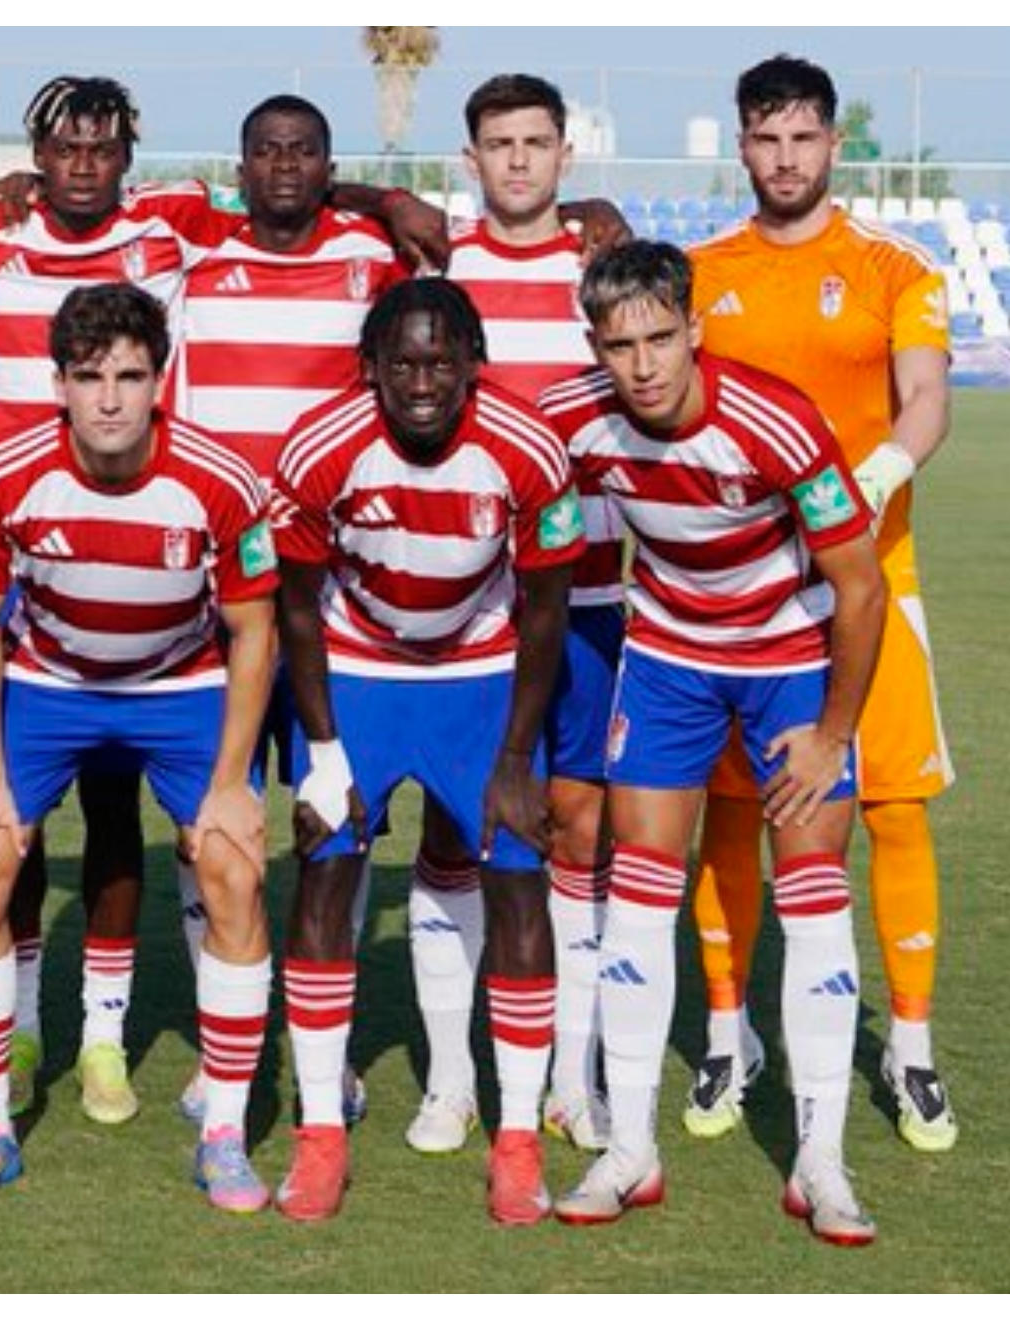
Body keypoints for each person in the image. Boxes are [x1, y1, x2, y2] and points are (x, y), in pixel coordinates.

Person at [0, 78, 441, 1124]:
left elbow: (284, 188)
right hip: (19, 556)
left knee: (199, 818)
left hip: (180, 556)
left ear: (127, 157)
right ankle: (15, 1029)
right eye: (63, 146)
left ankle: (148, 1042)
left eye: (103, 147)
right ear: (37, 153)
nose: (82, 164)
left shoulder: (170, 223)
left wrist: (388, 198)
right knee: (2, 819)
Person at [543, 239, 886, 1247]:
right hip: (666, 661)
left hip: (789, 658)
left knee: (813, 893)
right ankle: (630, 1150)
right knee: (640, 891)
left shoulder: (776, 420)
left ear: (694, 328)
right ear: (594, 347)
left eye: (660, 338)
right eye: (620, 347)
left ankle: (820, 1161)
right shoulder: (573, 421)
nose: (644, 365)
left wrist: (833, 734)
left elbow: (860, 587)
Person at [0, 283, 278, 1211]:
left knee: (233, 867)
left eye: (130, 376)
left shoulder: (219, 479)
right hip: (50, 682)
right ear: (59, 385)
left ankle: (224, 1135)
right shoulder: (5, 474)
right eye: (90, 378)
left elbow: (253, 632)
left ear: (161, 381)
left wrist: (233, 783)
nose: (111, 399)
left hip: (180, 685)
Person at [681, 55, 958, 1155]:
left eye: (804, 137)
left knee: (894, 810)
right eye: (767, 137)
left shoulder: (894, 265)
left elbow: (926, 394)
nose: (786, 157)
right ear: (742, 146)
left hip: (870, 583)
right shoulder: (701, 273)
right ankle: (728, 1033)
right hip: (738, 593)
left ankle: (912, 1047)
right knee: (733, 811)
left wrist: (876, 477)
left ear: (835, 144)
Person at [270, 277, 582, 1224]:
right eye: (401, 363)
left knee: (518, 875)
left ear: (474, 365)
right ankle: (320, 1135)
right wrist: (325, 750)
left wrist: (516, 759)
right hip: (357, 669)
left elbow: (546, 612)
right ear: (369, 366)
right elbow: (295, 607)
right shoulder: (318, 447)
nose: (420, 384)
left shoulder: (529, 449)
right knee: (326, 868)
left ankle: (517, 1139)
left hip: (479, 672)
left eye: (441, 363)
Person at [167, 92, 408, 1125]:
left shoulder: (373, 257)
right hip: (217, 595)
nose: (283, 166)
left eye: (303, 152)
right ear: (241, 166)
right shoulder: (191, 254)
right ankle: (220, 1043)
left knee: (330, 817)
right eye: (265, 150)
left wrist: (382, 198)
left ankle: (327, 1045)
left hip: (326, 596)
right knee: (207, 824)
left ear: (327, 165)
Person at [432, 72, 626, 1156]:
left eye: (536, 142)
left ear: (565, 153)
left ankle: (571, 1075)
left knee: (579, 831)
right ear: (471, 160)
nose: (518, 161)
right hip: (471, 610)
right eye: (499, 144)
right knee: (458, 830)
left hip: (590, 593)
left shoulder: (601, 268)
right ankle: (451, 1078)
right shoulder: (438, 270)